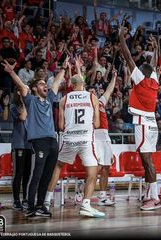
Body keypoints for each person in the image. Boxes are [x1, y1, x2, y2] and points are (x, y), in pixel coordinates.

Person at [2, 57, 68, 217]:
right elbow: (21, 85)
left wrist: (64, 68)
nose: (45, 85)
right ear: (33, 89)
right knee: (36, 175)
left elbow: (56, 83)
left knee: (47, 175)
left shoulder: (50, 99)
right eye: (41, 84)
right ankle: (30, 206)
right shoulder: (30, 99)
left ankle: (40, 206)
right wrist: (12, 72)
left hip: (52, 141)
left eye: (45, 84)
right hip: (38, 142)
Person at [44, 74, 102, 218]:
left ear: (72, 84)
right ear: (83, 83)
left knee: (57, 166)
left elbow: (61, 125)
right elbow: (97, 124)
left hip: (69, 139)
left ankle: (46, 200)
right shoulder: (92, 97)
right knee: (92, 173)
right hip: (86, 140)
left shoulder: (64, 99)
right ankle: (86, 205)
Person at [119, 26, 161, 211]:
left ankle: (155, 197)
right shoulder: (154, 81)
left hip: (144, 123)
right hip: (152, 123)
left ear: (141, 73)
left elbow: (128, 58)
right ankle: (150, 194)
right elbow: (156, 63)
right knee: (148, 160)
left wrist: (121, 38)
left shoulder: (142, 80)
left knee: (147, 161)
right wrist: (156, 46)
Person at [94, 68, 117, 206]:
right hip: (95, 137)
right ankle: (81, 191)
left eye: (93, 92)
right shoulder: (87, 105)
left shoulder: (101, 102)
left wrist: (114, 77)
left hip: (105, 137)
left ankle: (102, 196)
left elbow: (109, 90)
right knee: (97, 167)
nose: (92, 94)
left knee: (106, 167)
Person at [10, 88, 31, 211]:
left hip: (29, 144)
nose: (27, 92)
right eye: (24, 91)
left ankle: (25, 199)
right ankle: (16, 200)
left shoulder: (30, 106)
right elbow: (22, 117)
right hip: (19, 144)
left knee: (27, 174)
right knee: (19, 173)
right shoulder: (14, 106)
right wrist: (24, 101)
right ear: (19, 92)